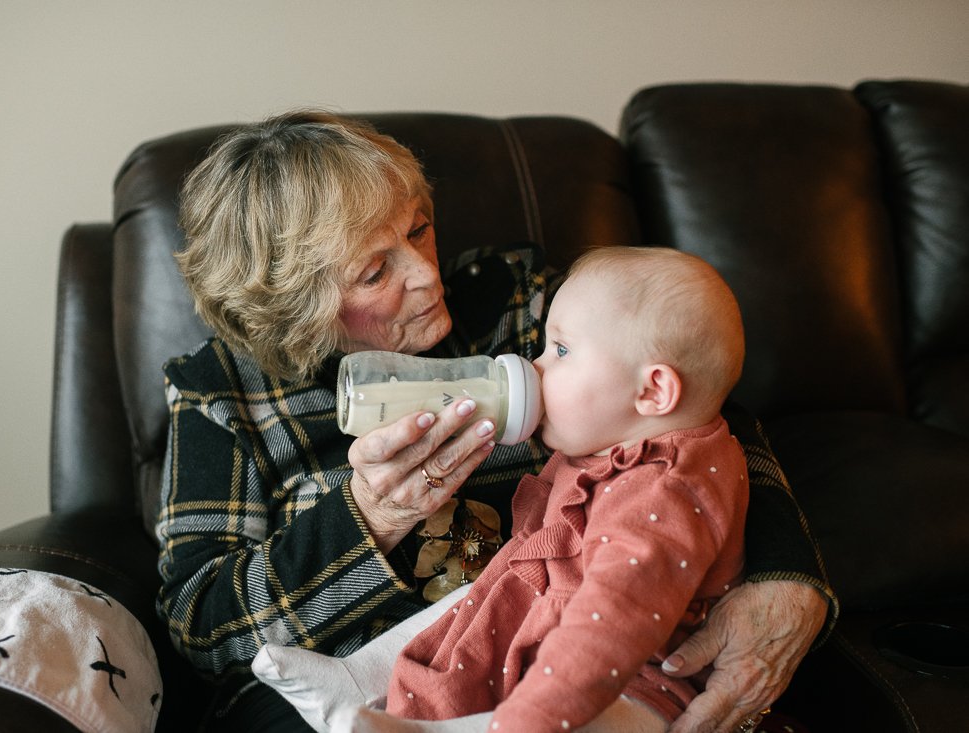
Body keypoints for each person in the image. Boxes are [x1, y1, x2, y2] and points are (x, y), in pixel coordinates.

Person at [156, 110, 836, 733]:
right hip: (340, 687)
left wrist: (785, 575)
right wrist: (367, 517)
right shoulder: (221, 393)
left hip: (555, 647)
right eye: (373, 271)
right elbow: (201, 624)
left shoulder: (510, 299)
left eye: (419, 227)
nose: (427, 276)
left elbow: (692, 410)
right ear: (294, 304)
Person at [327, 245, 750, 733]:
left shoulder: (663, 493)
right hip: (553, 625)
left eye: (561, 351)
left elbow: (608, 628)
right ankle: (356, 679)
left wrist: (527, 720)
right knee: (470, 605)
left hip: (635, 681)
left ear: (653, 392)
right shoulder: (617, 437)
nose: (537, 367)